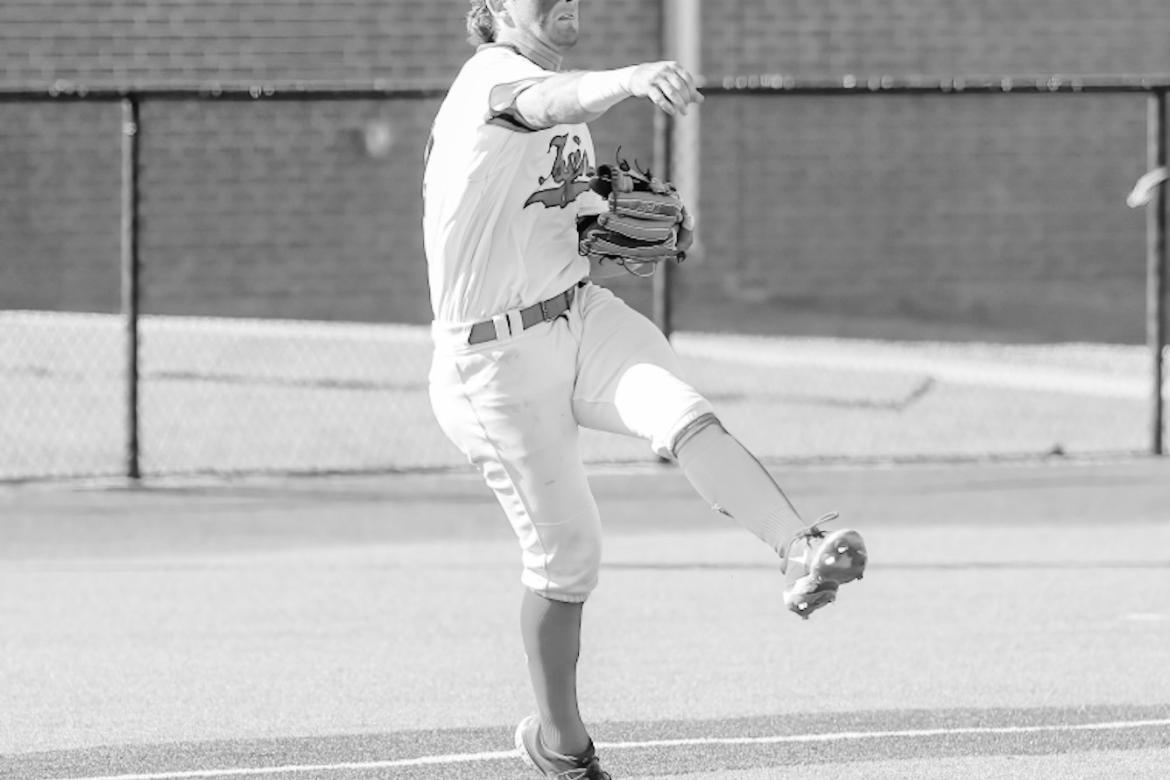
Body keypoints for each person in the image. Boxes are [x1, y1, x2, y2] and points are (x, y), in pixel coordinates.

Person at [422, 2, 868, 777]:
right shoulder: (493, 80)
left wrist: (646, 221)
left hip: (579, 313)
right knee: (568, 561)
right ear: (492, 9)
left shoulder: (557, 102)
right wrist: (629, 78)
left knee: (678, 407)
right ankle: (559, 743)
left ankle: (799, 548)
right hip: (491, 364)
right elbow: (539, 104)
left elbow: (576, 206)